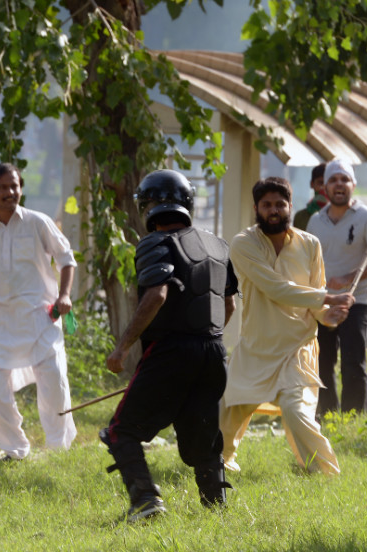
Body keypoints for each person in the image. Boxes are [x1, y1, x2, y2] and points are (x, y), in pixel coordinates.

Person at [101, 169, 239, 522]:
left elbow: (157, 294)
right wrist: (204, 339)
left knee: (121, 430)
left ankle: (145, 500)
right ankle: (216, 509)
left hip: (169, 353)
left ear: (147, 206)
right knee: (204, 440)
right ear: (187, 204)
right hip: (213, 352)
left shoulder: (154, 244)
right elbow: (229, 305)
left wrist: (122, 347)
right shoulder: (219, 247)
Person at [220, 176, 353, 476]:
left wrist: (328, 316)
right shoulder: (243, 244)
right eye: (267, 205)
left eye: (280, 204)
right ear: (256, 208)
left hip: (298, 348)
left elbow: (316, 303)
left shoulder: (310, 245)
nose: (274, 210)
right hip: (256, 347)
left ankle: (323, 473)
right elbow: (276, 288)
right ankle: (220, 464)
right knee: (227, 413)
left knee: (296, 413)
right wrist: (328, 298)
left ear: (290, 206)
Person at [0, 163, 78, 460]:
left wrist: (64, 295)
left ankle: (57, 451)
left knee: (54, 380)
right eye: (3, 187)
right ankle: (14, 449)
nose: (10, 193)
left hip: (40, 316)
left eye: (14, 186)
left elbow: (66, 259)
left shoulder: (38, 222)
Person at [306, 160, 367, 416]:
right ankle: (328, 417)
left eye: (344, 179)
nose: (339, 184)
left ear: (353, 184)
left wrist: (348, 278)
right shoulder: (314, 222)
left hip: (358, 300)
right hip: (324, 302)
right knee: (323, 361)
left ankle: (354, 420)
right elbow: (307, 263)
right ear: (325, 187)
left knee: (353, 361)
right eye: (333, 180)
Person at [292, 163, 327, 231]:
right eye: (320, 183)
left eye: (327, 183)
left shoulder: (339, 216)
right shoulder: (300, 217)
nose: (323, 188)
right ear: (312, 184)